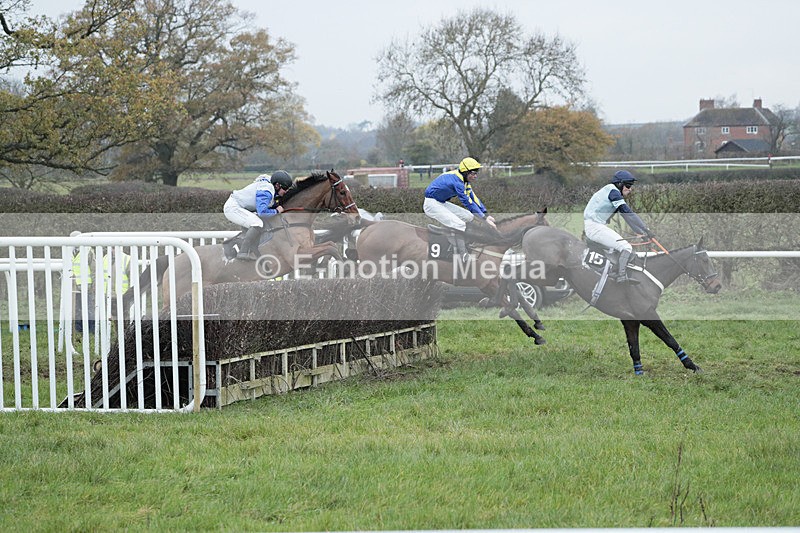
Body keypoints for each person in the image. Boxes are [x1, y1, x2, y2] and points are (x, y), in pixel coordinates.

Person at [583, 170, 655, 284]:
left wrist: (641, 233)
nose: (630, 189)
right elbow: (628, 212)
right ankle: (620, 277)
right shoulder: (614, 192)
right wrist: (646, 229)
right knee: (626, 248)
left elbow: (626, 217)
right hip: (595, 227)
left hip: (594, 226)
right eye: (628, 186)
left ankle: (613, 273)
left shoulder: (611, 190)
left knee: (620, 248)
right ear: (620, 184)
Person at [423, 157, 499, 262]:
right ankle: (463, 255)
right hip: (431, 204)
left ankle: (465, 241)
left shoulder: (464, 181)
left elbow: (473, 198)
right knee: (459, 224)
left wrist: (486, 214)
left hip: (440, 202)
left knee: (469, 216)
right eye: (473, 173)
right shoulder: (457, 182)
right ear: (465, 171)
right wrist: (484, 219)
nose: (475, 176)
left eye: (476, 173)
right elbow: (468, 202)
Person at [223, 170, 293, 260]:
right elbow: (262, 212)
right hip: (233, 208)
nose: (286, 191)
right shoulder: (266, 192)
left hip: (239, 207)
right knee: (257, 223)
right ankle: (243, 252)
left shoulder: (271, 187)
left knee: (258, 223)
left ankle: (243, 247)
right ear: (277, 185)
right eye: (285, 188)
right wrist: (276, 211)